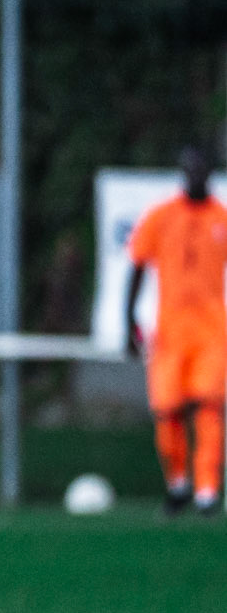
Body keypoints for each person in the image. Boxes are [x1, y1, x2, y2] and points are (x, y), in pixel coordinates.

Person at [125, 146, 227, 515]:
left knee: (209, 407)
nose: (196, 174)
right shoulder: (162, 217)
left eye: (202, 168)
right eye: (190, 168)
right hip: (170, 330)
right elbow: (137, 264)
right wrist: (128, 321)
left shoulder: (222, 218)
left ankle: (208, 490)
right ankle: (178, 482)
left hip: (212, 331)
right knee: (168, 410)